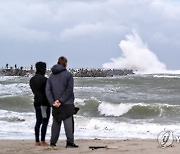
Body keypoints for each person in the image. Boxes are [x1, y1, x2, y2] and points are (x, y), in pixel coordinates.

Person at [46, 56, 78, 148]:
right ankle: (70, 142)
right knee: (68, 124)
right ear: (65, 63)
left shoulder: (51, 76)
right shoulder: (68, 75)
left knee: (56, 123)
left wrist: (53, 102)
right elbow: (69, 90)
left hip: (55, 104)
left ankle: (53, 142)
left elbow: (48, 90)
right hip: (66, 103)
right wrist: (61, 101)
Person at [29, 62, 51, 146]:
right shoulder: (45, 79)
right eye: (44, 68)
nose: (45, 70)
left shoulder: (32, 80)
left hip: (36, 102)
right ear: (42, 69)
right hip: (44, 104)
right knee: (45, 122)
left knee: (38, 122)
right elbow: (47, 92)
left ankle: (37, 141)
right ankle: (43, 140)